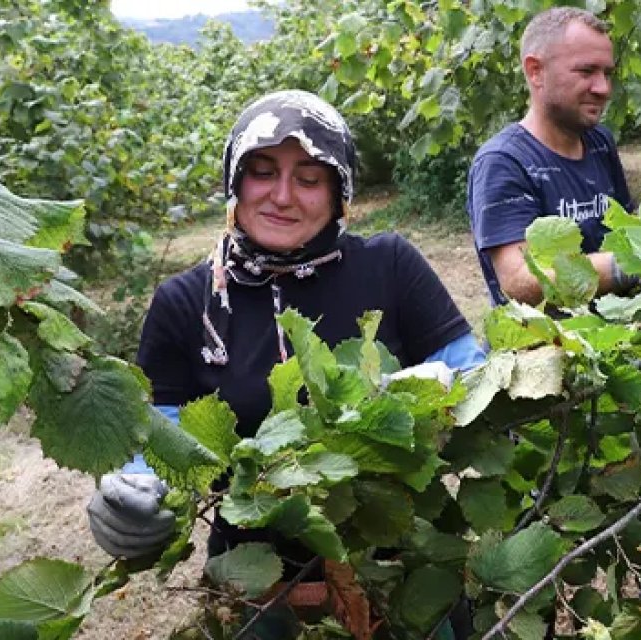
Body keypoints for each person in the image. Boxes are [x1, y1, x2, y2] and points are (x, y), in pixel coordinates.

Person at [85, 89, 484, 636]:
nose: (282, 196)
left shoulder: (389, 266)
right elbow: (159, 435)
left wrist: (439, 387)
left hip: (402, 570)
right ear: (234, 180)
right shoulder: (188, 303)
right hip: (257, 588)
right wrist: (132, 497)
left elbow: (470, 369)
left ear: (339, 189)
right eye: (262, 171)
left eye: (309, 178)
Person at [467, 7, 638, 307]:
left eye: (607, 73)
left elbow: (629, 228)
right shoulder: (504, 162)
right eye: (586, 71)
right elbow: (518, 282)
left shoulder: (600, 142)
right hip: (545, 349)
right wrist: (626, 267)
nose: (603, 88)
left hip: (616, 331)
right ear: (536, 71)